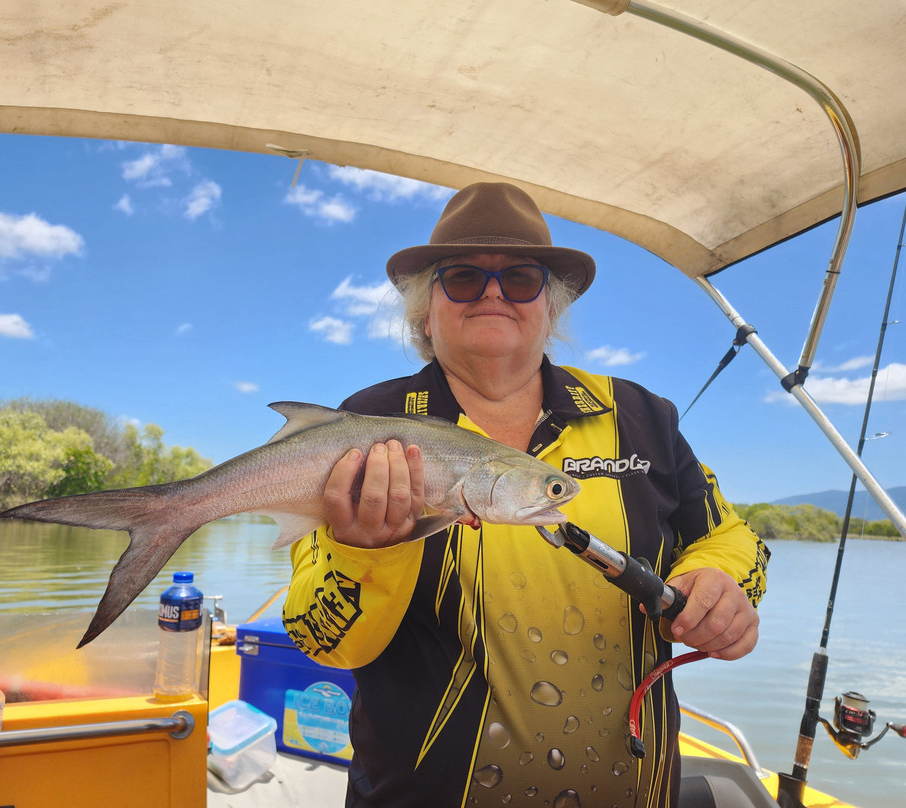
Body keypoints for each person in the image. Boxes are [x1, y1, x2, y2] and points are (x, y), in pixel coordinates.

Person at [283, 182, 768, 808]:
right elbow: (320, 640)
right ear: (425, 310)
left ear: (551, 305)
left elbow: (733, 538)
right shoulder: (368, 422)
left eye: (520, 278)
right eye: (462, 278)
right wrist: (365, 551)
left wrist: (716, 582)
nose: (492, 293)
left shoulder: (642, 415)